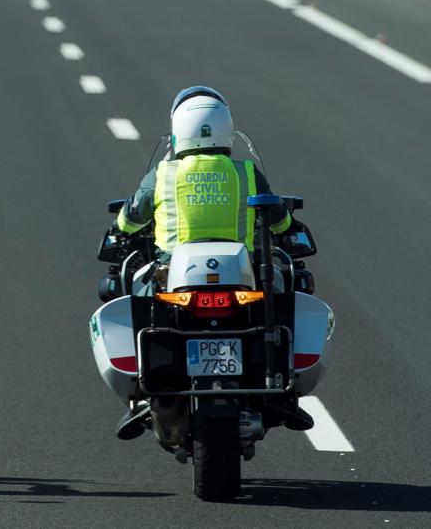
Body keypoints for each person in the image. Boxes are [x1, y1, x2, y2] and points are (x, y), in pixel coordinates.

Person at [107, 86, 311, 439]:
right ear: (226, 128)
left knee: (130, 288)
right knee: (285, 285)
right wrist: (289, 228)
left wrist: (118, 231)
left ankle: (141, 387)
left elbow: (130, 219)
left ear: (178, 129)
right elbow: (277, 217)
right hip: (240, 275)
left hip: (174, 275)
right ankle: (284, 387)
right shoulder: (245, 171)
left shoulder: (163, 174)